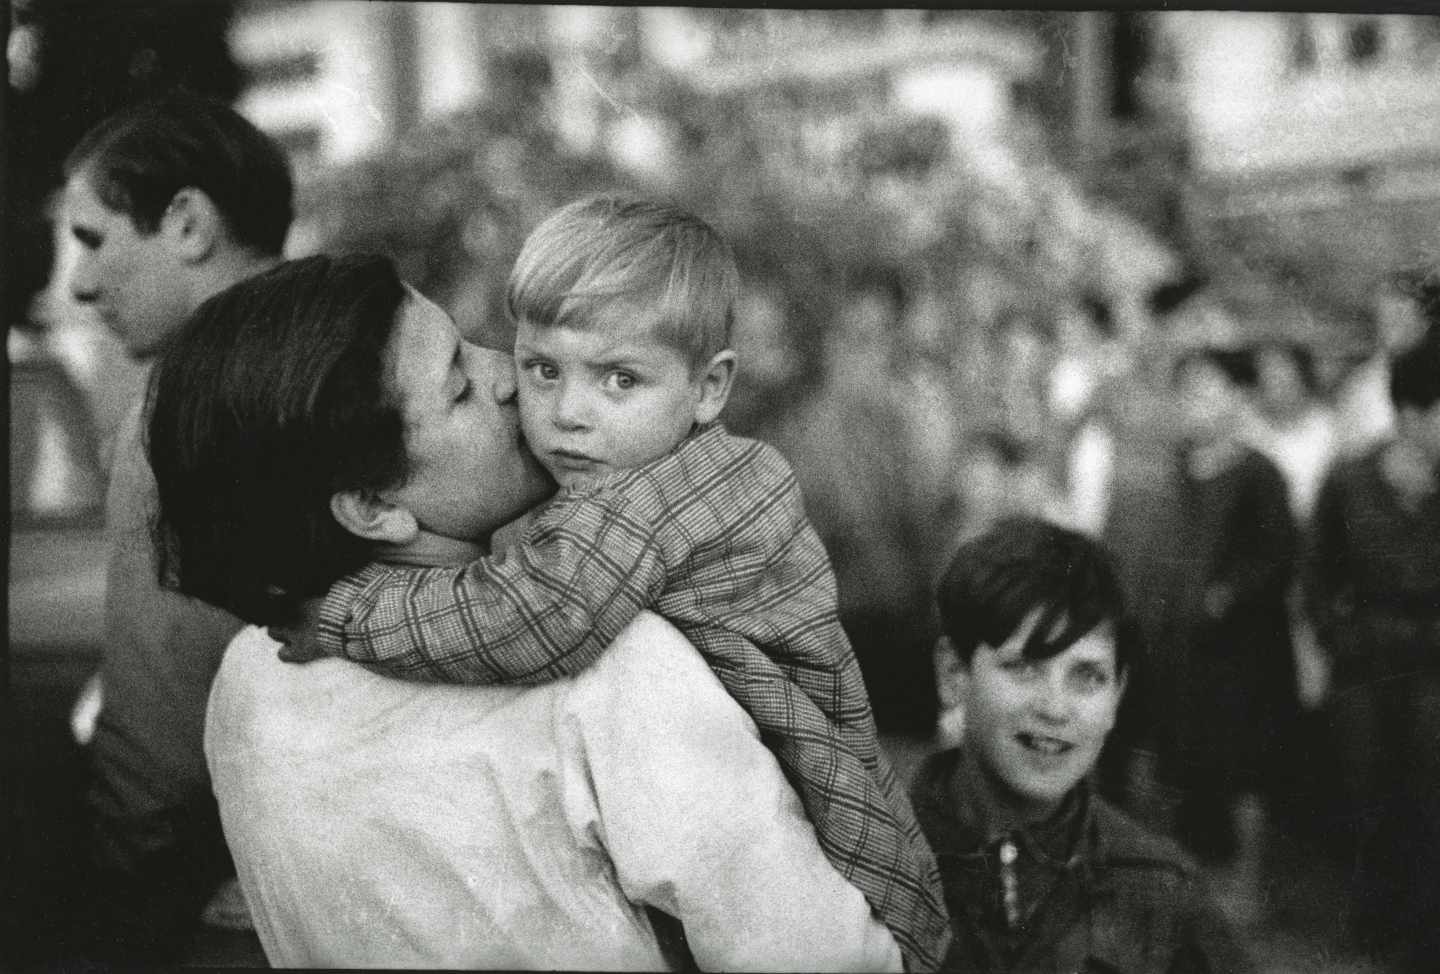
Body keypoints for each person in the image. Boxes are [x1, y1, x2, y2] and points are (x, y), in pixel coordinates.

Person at [145, 252, 904, 970]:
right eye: (458, 386)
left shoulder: (250, 679)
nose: (509, 373)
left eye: (469, 345)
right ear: (374, 505)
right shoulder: (610, 668)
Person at [58, 90, 293, 960]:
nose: (80, 283)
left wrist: (109, 932)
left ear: (188, 223)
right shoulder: (400, 358)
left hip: (250, 915)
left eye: (93, 239)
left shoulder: (185, 416)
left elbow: (156, 759)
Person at [912, 516, 1250, 973]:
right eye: (1025, 666)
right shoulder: (874, 855)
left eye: (1087, 676)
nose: (1055, 708)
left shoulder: (1162, 893)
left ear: (1117, 696)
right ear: (954, 674)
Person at [1305, 337, 1440, 969]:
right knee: (1365, 805)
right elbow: (1315, 580)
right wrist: (1339, 641)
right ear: (1412, 414)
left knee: (1428, 809)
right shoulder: (1349, 481)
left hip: (1432, 681)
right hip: (1361, 675)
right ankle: (1366, 933)